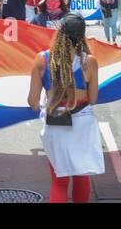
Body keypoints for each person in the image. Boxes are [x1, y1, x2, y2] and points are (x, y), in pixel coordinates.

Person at [26, 13, 102, 203]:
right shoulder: (89, 61)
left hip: (55, 123)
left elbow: (32, 101)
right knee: (81, 176)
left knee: (59, 181)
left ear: (59, 31)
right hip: (82, 123)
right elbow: (92, 99)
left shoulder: (41, 59)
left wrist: (45, 102)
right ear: (81, 34)